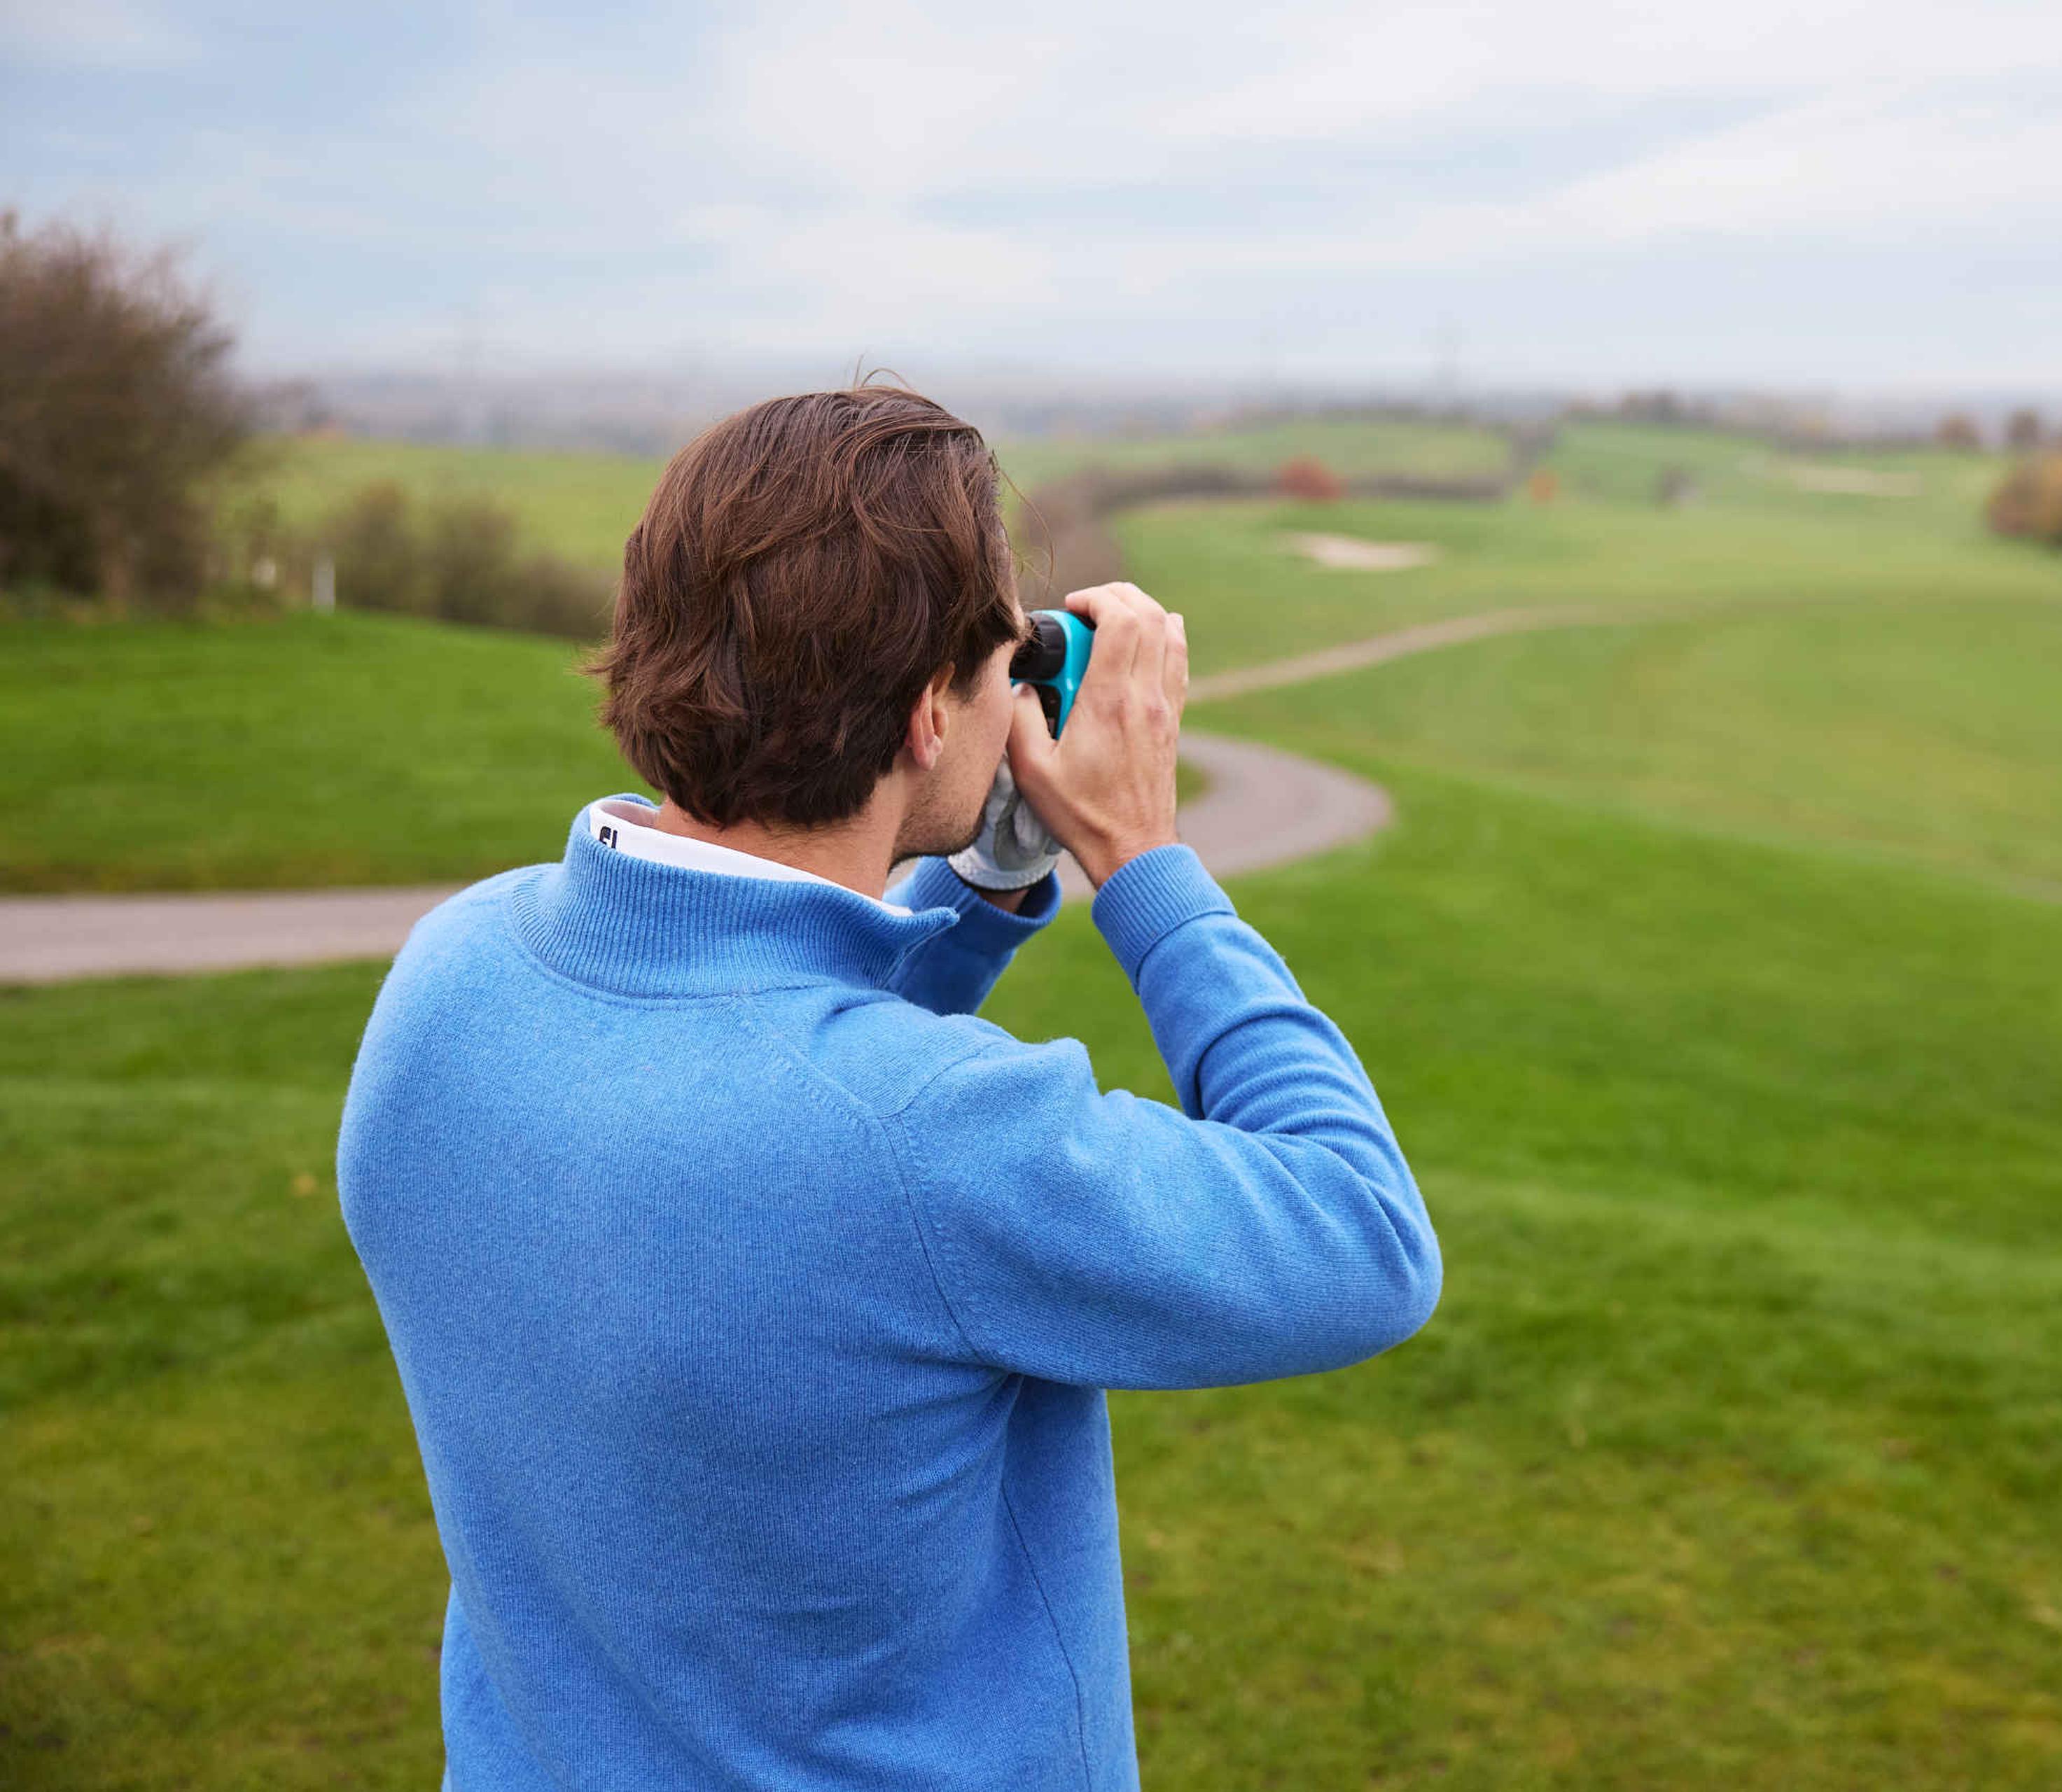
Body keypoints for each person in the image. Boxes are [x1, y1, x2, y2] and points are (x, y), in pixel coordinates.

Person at [337, 386, 1441, 1789]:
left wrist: (986, 888)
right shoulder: (925, 1142)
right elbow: (1364, 1238)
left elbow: (753, 1075)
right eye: (1001, 657)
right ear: (931, 706)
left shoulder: (455, 977)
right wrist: (1149, 863)